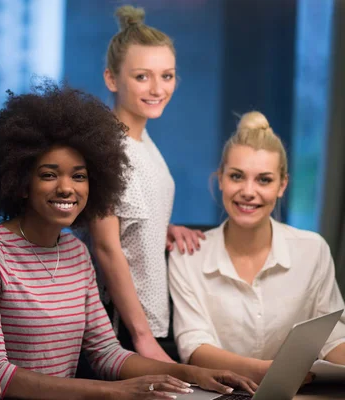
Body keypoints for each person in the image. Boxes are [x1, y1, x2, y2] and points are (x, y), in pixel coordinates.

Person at [0, 82, 257, 399]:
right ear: (21, 182)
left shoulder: (75, 253)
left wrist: (192, 374)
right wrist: (113, 393)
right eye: (49, 174)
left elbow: (107, 353)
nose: (67, 188)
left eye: (79, 176)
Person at [168, 111, 345, 384]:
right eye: (237, 176)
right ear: (220, 179)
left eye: (264, 180)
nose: (248, 191)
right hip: (220, 395)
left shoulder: (312, 251)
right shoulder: (187, 256)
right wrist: (263, 371)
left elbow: (332, 336)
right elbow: (194, 346)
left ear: (282, 185)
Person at [88, 5, 204, 363]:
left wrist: (161, 228)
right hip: (117, 326)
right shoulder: (106, 147)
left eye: (167, 75)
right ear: (111, 79)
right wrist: (142, 338)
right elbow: (106, 247)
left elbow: (129, 217)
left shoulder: (143, 142)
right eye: (142, 77)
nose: (158, 88)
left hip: (146, 321)